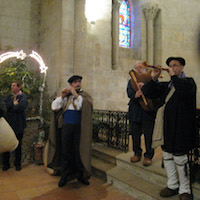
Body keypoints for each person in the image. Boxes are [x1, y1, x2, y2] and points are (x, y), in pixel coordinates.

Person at [142, 57, 197, 200]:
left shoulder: (188, 82)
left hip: (182, 129)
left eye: (175, 65)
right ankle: (172, 184)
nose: (172, 67)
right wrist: (153, 78)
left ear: (182, 67)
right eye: (170, 66)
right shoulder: (167, 86)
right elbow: (148, 92)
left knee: (180, 158)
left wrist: (173, 76)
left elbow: (184, 91)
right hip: (167, 128)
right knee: (167, 156)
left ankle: (185, 189)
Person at [50, 75, 93, 187]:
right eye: (75, 82)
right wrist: (61, 96)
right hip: (66, 127)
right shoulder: (66, 96)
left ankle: (80, 175)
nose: (78, 83)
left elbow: (82, 106)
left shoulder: (83, 96)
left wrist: (75, 94)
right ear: (70, 85)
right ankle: (64, 176)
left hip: (79, 128)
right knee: (66, 151)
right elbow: (54, 107)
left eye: (79, 82)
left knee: (78, 151)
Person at [127, 61, 156, 166]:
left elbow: (155, 92)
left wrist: (145, 88)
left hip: (147, 111)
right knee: (135, 134)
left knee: (149, 135)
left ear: (145, 69)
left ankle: (148, 156)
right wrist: (135, 94)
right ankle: (137, 153)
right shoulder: (131, 81)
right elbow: (129, 93)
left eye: (140, 67)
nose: (138, 69)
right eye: (136, 67)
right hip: (135, 110)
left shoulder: (150, 80)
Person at [2, 81, 28, 171]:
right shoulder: (8, 97)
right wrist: (13, 104)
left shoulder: (23, 97)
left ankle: (17, 164)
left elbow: (21, 107)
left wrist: (12, 108)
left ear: (19, 87)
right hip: (9, 124)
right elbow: (5, 106)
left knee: (18, 145)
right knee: (6, 144)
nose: (12, 87)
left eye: (14, 86)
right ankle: (6, 164)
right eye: (11, 85)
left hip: (19, 124)